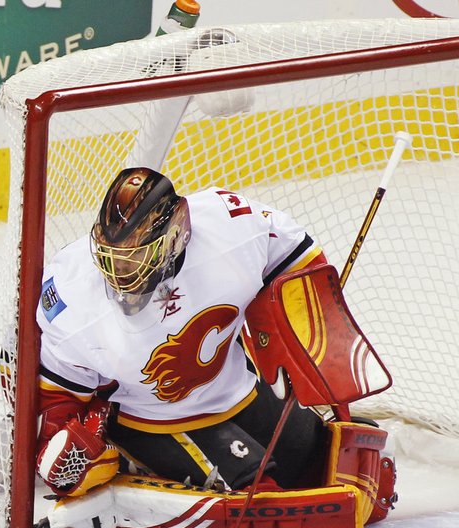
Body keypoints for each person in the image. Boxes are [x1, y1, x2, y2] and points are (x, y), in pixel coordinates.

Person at [34, 166, 331, 503]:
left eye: (134, 259)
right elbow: (56, 394)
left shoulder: (230, 226)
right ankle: (136, 466)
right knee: (257, 501)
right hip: (151, 421)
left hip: (236, 388)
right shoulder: (71, 292)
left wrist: (307, 336)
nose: (119, 273)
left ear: (174, 236)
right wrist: (66, 446)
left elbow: (299, 262)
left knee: (323, 467)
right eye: (112, 259)